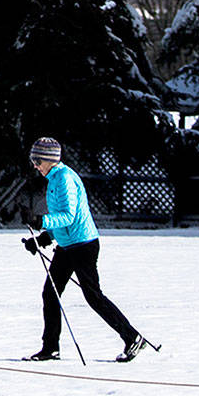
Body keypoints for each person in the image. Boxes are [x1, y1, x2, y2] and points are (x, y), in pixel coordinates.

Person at [21, 136, 149, 363]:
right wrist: (42, 238)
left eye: (37, 160)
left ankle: (132, 338)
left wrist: (41, 221)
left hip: (83, 245)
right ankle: (50, 348)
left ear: (49, 159)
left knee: (93, 296)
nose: (35, 165)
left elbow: (69, 216)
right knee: (50, 294)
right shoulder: (53, 179)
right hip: (68, 245)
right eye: (33, 160)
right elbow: (62, 218)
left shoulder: (64, 179)